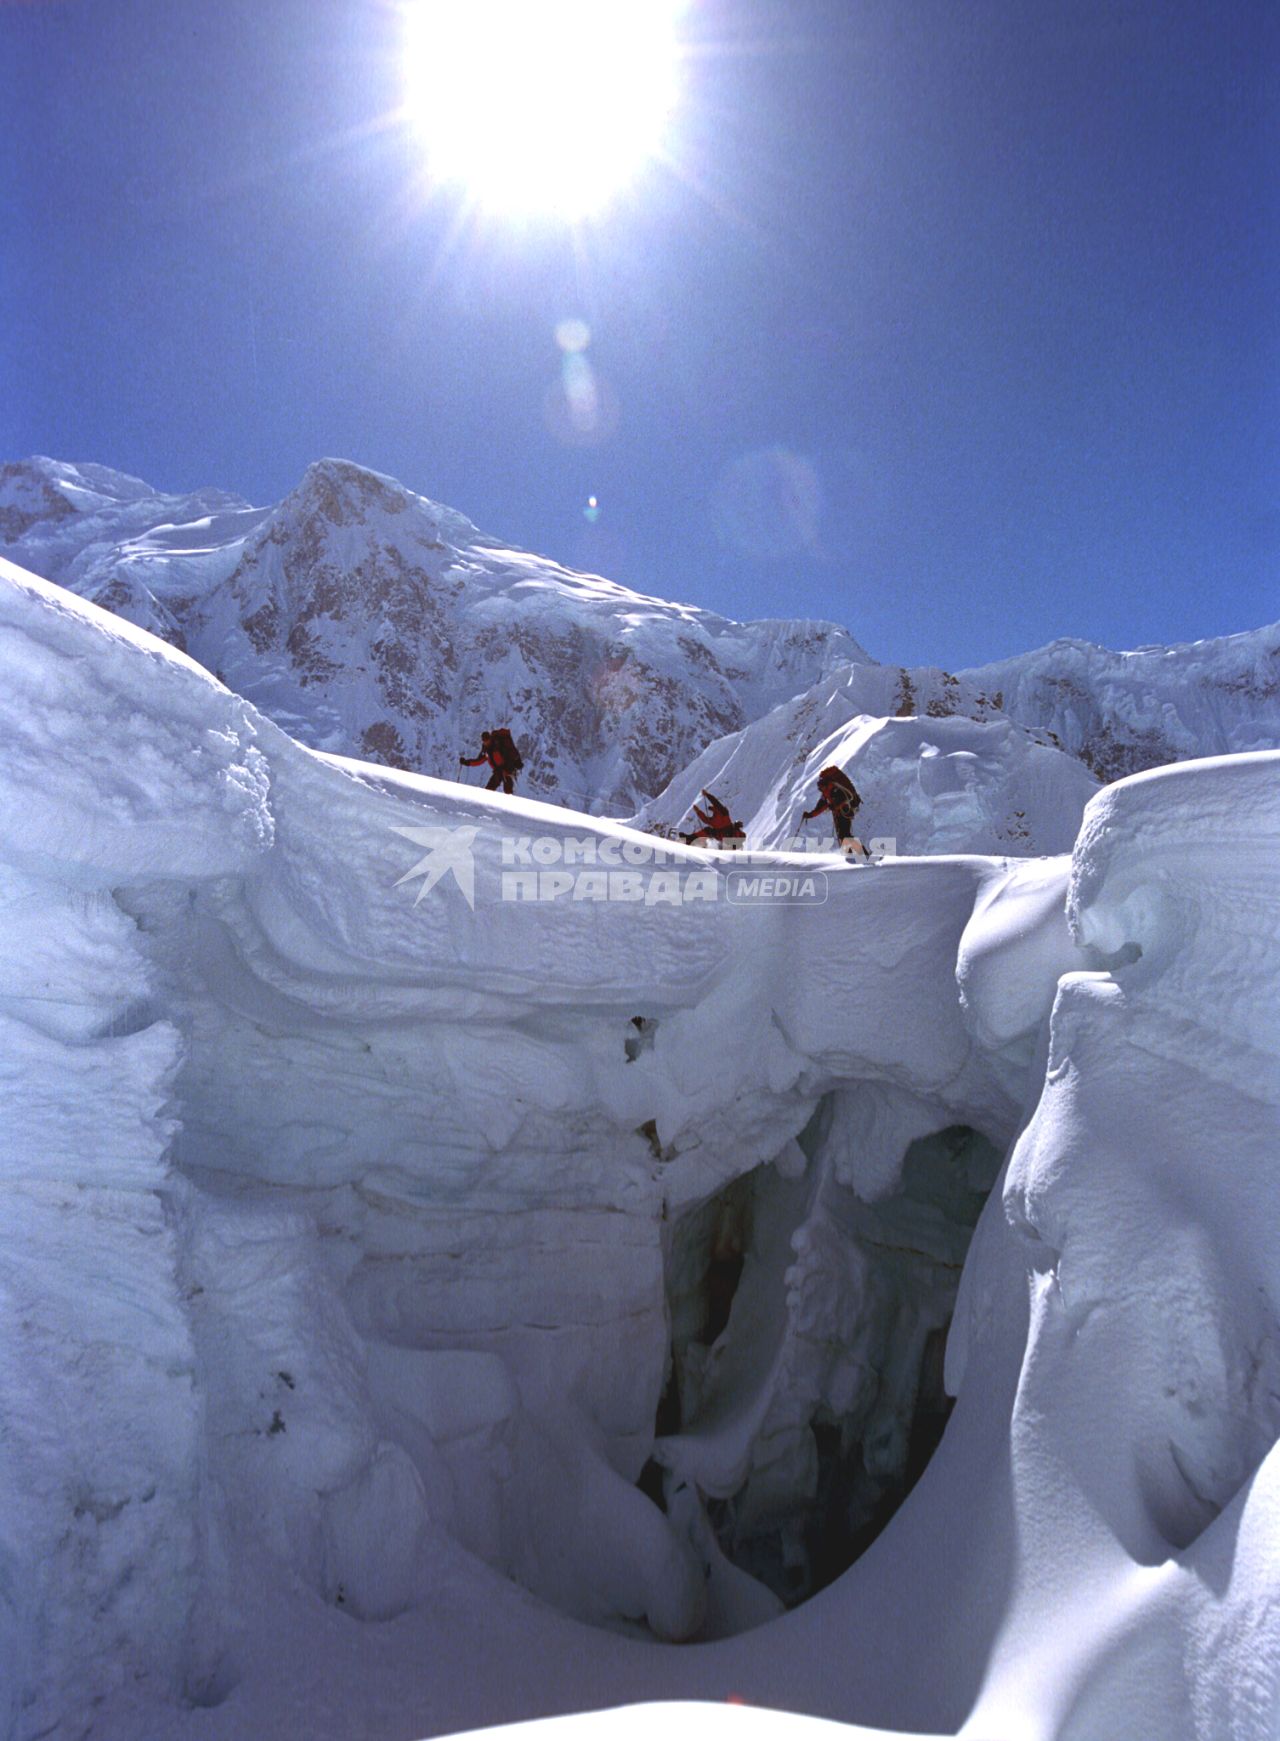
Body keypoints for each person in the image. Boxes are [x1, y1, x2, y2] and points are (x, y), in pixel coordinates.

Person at [803, 766, 867, 856]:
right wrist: (810, 815)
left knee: (844, 835)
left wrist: (834, 806)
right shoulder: (827, 792)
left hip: (844, 811)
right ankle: (854, 854)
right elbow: (821, 806)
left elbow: (844, 798)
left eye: (822, 788)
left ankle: (861, 854)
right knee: (843, 835)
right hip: (841, 813)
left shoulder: (834, 790)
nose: (821, 790)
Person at [460, 727, 523, 794]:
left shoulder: (498, 745)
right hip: (499, 770)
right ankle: (487, 803)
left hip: (507, 769)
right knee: (490, 789)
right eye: (484, 741)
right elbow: (479, 761)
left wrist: (508, 768)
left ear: (490, 738)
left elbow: (508, 756)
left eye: (486, 740)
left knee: (505, 790)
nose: (485, 742)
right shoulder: (486, 749)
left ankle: (506, 803)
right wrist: (466, 762)